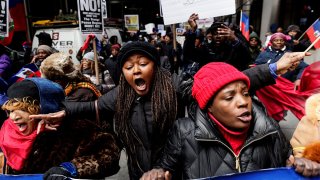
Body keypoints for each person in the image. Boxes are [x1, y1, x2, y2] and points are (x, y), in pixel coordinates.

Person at [30, 41, 309, 179]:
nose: (136, 70)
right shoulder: (118, 96)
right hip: (141, 174)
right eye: (129, 67)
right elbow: (88, 107)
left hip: (176, 171)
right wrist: (62, 111)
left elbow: (218, 86)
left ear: (154, 66)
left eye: (143, 63)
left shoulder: (173, 85)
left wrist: (272, 69)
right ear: (123, 73)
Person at [141, 62, 320, 180]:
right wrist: (156, 174)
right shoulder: (183, 131)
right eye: (229, 97)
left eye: (245, 93)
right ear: (209, 106)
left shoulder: (271, 128)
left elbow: (289, 163)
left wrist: (303, 165)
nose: (243, 102)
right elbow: (165, 170)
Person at [0, 78, 120, 179]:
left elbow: (109, 156)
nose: (13, 117)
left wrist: (71, 168)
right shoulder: (8, 131)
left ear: (45, 109)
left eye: (24, 109)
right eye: (11, 110)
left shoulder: (77, 129)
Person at [185, 13, 252, 71]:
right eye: (215, 33)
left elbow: (246, 58)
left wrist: (234, 39)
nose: (218, 36)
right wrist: (192, 31)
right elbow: (188, 54)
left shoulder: (232, 49)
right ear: (211, 35)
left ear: (227, 35)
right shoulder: (206, 49)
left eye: (221, 33)